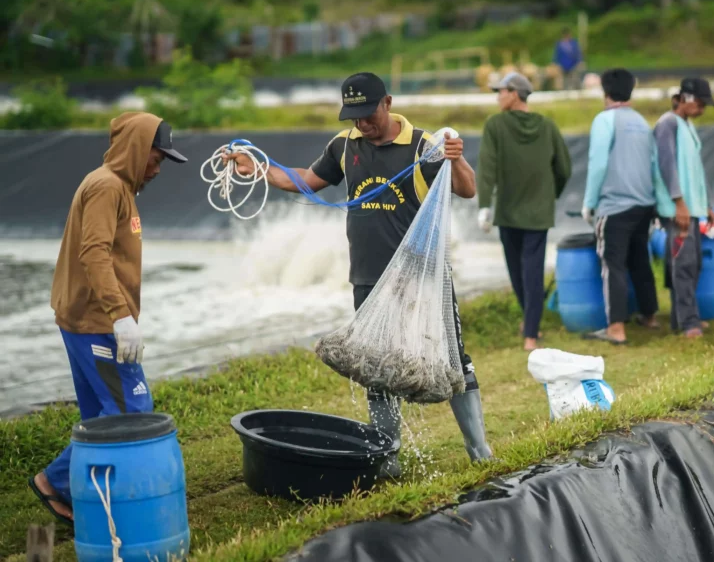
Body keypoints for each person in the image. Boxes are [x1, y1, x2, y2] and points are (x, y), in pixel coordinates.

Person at [225, 72, 492, 476]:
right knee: (376, 365)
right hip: (367, 277)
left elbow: (468, 190)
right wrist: (259, 168)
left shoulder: (423, 146)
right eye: (354, 117)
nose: (362, 124)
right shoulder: (343, 146)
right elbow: (307, 181)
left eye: (368, 114)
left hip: (420, 277)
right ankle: (389, 459)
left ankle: (480, 451)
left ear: (386, 102)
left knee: (453, 360)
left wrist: (457, 157)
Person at [30, 112, 188, 525]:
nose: (157, 169)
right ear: (137, 150)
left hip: (84, 317)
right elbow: (94, 253)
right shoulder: (105, 187)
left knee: (101, 413)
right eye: (156, 158)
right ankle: (54, 482)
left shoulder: (119, 187)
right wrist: (120, 317)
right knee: (131, 412)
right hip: (96, 321)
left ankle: (91, 494)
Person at [477, 72, 572, 351]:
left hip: (507, 210)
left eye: (501, 91)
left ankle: (530, 330)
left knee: (517, 271)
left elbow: (487, 168)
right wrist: (549, 194)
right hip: (539, 213)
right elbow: (564, 169)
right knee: (532, 271)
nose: (498, 96)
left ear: (515, 93)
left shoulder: (495, 125)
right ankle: (531, 331)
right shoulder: (547, 126)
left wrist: (484, 204)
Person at [581, 68, 675, 345]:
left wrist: (589, 203)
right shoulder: (641, 122)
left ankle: (616, 328)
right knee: (639, 260)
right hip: (644, 205)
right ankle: (649, 316)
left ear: (605, 92)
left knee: (613, 265)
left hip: (615, 205)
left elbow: (597, 163)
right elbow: (655, 167)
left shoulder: (605, 119)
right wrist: (658, 203)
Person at [654, 78, 714, 338]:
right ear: (687, 99)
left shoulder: (686, 126)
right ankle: (688, 323)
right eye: (701, 104)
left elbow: (696, 170)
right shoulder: (667, 124)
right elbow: (666, 165)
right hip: (677, 209)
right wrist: (679, 203)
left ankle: (682, 317)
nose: (702, 110)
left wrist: (708, 206)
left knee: (693, 265)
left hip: (691, 207)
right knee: (683, 265)